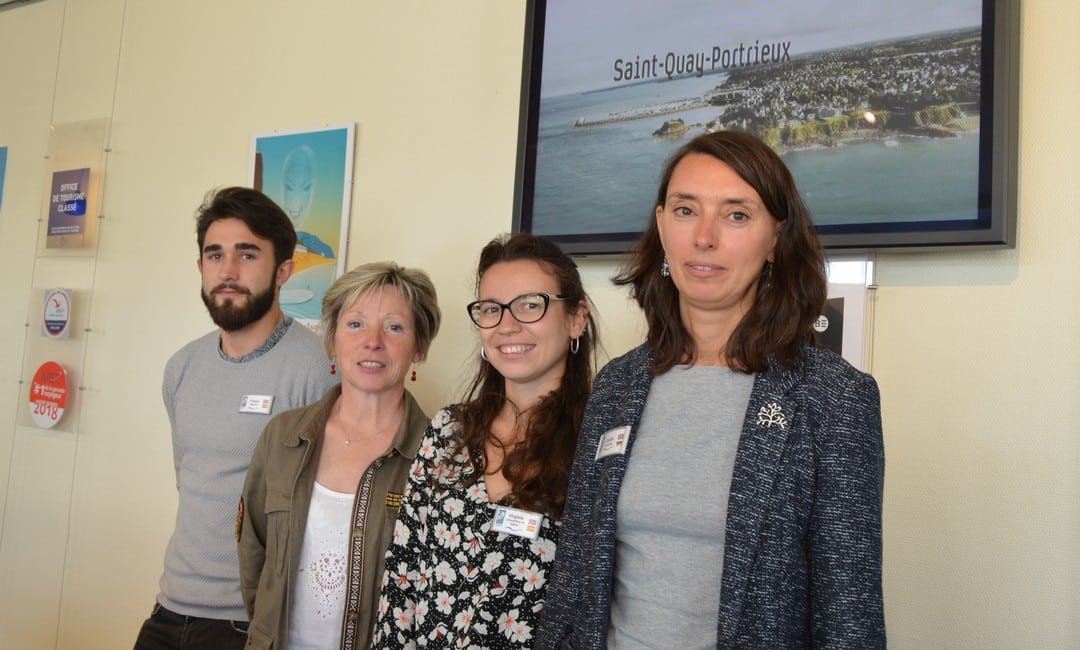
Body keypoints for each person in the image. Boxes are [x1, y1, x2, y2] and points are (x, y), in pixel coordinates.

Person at [537, 130, 885, 648]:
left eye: (736, 215)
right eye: (685, 210)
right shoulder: (616, 386)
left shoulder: (832, 398)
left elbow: (849, 617)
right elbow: (574, 585)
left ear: (775, 239)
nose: (705, 237)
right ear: (661, 225)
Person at [371, 233, 598, 649]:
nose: (507, 325)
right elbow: (402, 580)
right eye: (492, 309)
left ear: (576, 318)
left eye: (530, 304)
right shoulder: (447, 431)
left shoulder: (601, 444)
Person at [134, 187, 337, 650]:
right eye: (214, 255)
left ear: (284, 270)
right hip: (169, 608)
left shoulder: (318, 369)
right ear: (200, 267)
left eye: (247, 255)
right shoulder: (181, 367)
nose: (227, 272)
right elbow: (192, 482)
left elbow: (327, 516)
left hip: (250, 623)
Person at [238, 261, 442, 650]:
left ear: (419, 347)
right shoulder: (282, 436)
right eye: (355, 324)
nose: (373, 341)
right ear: (331, 340)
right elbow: (253, 558)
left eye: (395, 327)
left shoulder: (439, 456)